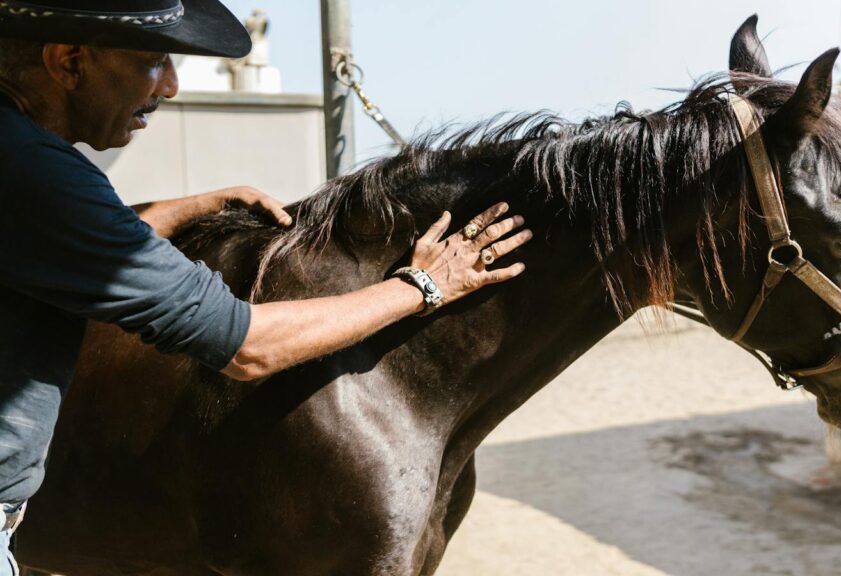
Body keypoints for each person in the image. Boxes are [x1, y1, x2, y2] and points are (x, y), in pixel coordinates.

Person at [0, 1, 531, 572]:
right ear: (70, 61)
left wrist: (182, 210)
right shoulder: (36, 171)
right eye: (155, 60)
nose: (172, 85)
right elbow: (246, 345)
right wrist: (424, 284)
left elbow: (48, 237)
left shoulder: (18, 158)